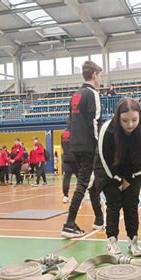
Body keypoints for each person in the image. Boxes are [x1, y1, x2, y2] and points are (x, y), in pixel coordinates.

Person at [94, 98, 141, 256]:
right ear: (117, 117)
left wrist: (129, 178)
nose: (130, 125)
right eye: (125, 120)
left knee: (131, 204)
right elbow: (104, 158)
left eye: (134, 120)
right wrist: (118, 179)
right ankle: (112, 241)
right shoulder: (107, 129)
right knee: (113, 205)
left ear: (140, 116)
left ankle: (133, 240)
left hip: (134, 170)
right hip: (109, 171)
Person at [61, 60, 104, 238]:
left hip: (75, 146)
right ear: (94, 74)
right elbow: (94, 122)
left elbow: (70, 122)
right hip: (88, 146)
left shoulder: (75, 94)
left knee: (90, 183)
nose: (100, 78)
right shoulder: (92, 94)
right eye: (100, 75)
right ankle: (69, 224)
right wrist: (99, 145)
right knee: (83, 184)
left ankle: (99, 219)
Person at [61, 128, 78, 204]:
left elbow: (63, 145)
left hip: (66, 158)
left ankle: (65, 196)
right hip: (76, 159)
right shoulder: (76, 131)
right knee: (81, 178)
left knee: (66, 177)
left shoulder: (63, 133)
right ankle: (83, 194)